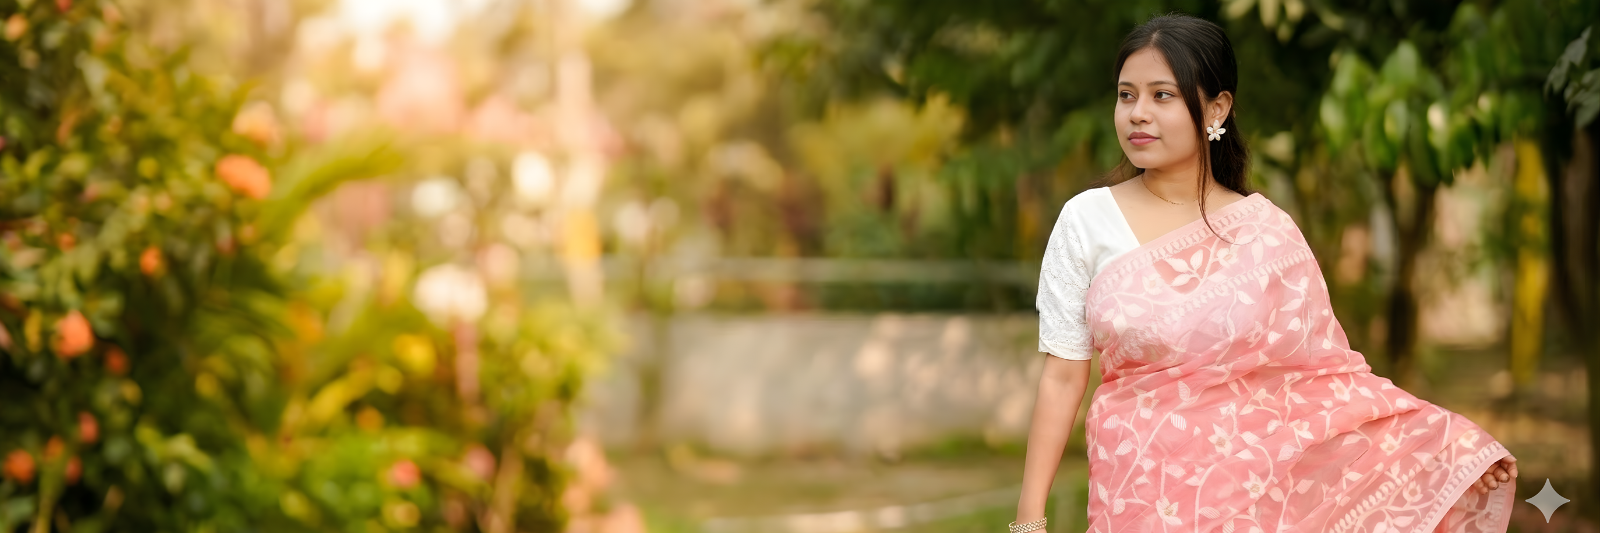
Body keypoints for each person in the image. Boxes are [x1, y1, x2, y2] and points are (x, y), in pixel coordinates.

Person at [1012, 14, 1518, 533]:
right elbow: (1062, 378)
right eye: (1126, 95)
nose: (1138, 113)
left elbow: (1326, 381)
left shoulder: (1265, 232)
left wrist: (1446, 450)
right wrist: (1029, 519)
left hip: (1246, 504)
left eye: (1162, 95)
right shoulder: (1086, 221)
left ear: (1217, 108)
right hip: (1133, 497)